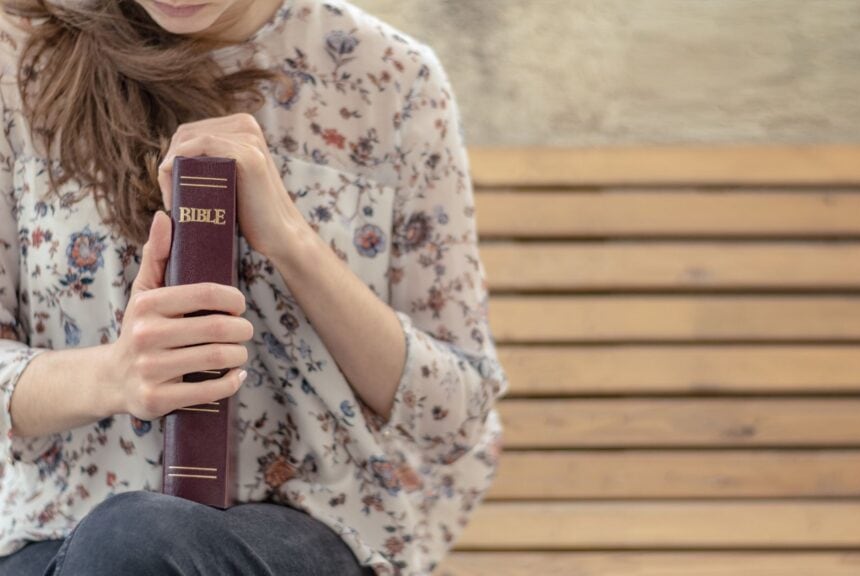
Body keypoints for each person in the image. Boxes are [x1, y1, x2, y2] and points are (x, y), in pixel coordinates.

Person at [0, 0, 508, 574]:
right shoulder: (18, 61)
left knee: (135, 542)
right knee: (124, 543)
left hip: (305, 529)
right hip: (51, 535)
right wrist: (114, 375)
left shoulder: (390, 78)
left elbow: (456, 414)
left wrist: (293, 239)